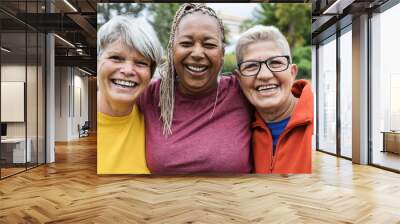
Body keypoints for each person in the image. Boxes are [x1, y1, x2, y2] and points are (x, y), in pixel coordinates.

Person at [137, 3, 252, 174]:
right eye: (186, 43)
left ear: (222, 53)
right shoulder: (148, 96)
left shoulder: (243, 91)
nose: (197, 53)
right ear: (172, 49)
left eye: (209, 45)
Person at [235, 25, 314, 174]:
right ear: (239, 80)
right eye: (251, 66)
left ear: (292, 72)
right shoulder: (237, 132)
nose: (264, 75)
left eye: (276, 63)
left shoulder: (319, 125)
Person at [97, 15, 162, 174]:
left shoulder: (156, 121)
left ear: (150, 74)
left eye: (141, 63)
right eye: (116, 58)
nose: (127, 71)